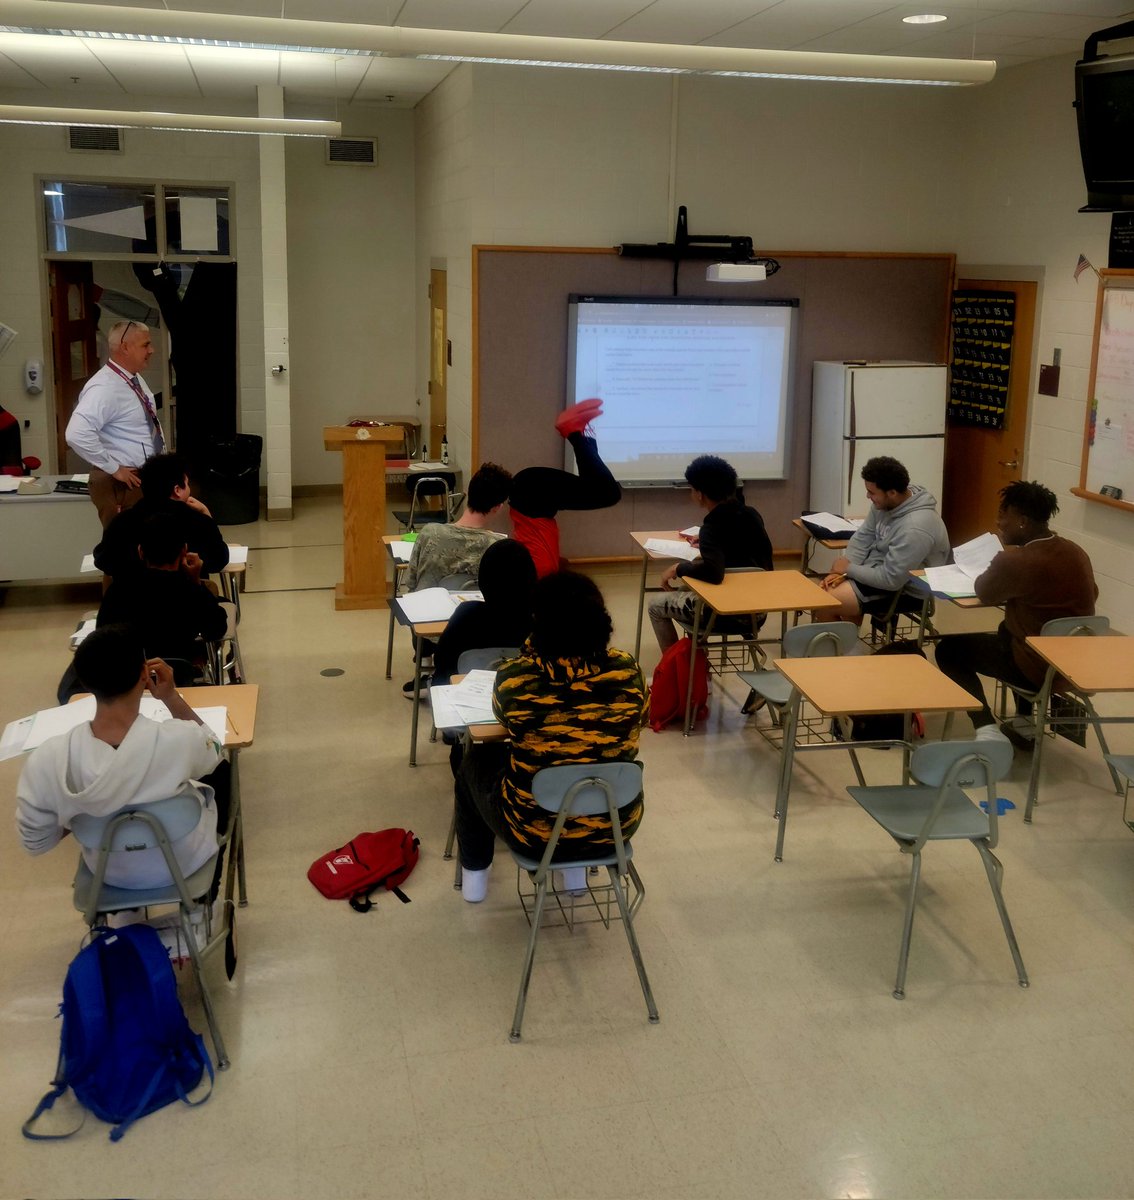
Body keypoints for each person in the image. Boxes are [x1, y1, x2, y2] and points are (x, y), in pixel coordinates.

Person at [454, 570, 648, 903]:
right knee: (586, 761)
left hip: (535, 831)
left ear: (538, 622)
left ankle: (474, 880)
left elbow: (503, 722)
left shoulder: (516, 677)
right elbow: (641, 718)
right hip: (613, 826)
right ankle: (575, 879)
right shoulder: (628, 672)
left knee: (473, 763)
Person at [16, 624, 226, 892]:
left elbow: (35, 842)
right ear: (144, 673)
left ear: (83, 680)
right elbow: (215, 750)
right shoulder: (179, 740)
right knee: (222, 776)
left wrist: (83, 816)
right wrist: (171, 696)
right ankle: (202, 907)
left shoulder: (50, 758)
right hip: (185, 864)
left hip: (109, 873)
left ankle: (123, 917)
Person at [934, 480, 1098, 749]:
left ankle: (986, 728)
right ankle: (1024, 722)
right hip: (1075, 662)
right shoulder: (1075, 551)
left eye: (1003, 515)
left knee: (949, 650)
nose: (998, 522)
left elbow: (984, 592)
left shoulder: (1015, 561)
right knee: (1008, 629)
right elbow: (1093, 591)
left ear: (1022, 521)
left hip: (1036, 667)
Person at [649, 454, 774, 653]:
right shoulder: (751, 514)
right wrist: (711, 545)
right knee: (686, 592)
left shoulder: (712, 527)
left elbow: (714, 573)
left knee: (656, 605)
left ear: (700, 494)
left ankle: (677, 670)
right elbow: (746, 551)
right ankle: (697, 661)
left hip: (723, 612)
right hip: (757, 611)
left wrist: (679, 568)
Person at [819, 455, 950, 624]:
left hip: (905, 590)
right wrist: (842, 572)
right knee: (825, 590)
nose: (868, 496)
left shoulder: (915, 528)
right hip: (877, 572)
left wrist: (850, 569)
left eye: (872, 492)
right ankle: (846, 647)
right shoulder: (886, 503)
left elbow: (891, 580)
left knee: (824, 601)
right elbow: (863, 537)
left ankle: (838, 649)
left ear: (892, 493)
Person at [97, 512, 228, 674]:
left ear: (141, 552)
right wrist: (196, 581)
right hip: (180, 676)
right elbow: (216, 630)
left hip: (129, 677)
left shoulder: (118, 591)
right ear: (184, 551)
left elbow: (102, 635)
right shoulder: (191, 592)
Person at [507, 398, 622, 578]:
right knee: (603, 491)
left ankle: (576, 434)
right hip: (529, 493)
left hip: (531, 495)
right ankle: (580, 435)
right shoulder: (544, 570)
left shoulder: (542, 572)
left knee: (608, 493)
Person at [66, 320, 165, 527]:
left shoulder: (132, 378)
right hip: (122, 484)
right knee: (127, 550)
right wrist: (114, 468)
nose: (152, 350)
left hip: (142, 479)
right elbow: (76, 434)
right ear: (125, 347)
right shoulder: (104, 387)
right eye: (145, 345)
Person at [93, 451, 229, 582]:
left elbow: (103, 561)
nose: (189, 489)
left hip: (131, 603)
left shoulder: (122, 522)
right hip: (186, 601)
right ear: (177, 490)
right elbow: (219, 561)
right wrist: (206, 513)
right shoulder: (198, 521)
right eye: (187, 484)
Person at [402, 462, 512, 592]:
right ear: (497, 507)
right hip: (473, 611)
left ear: (468, 493)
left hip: (426, 609)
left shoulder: (430, 533)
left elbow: (410, 581)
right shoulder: (497, 547)